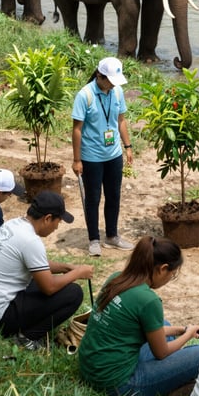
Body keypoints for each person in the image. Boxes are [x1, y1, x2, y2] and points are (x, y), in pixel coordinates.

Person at [78, 235, 199, 396]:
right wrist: (189, 335)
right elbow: (161, 353)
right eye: (172, 274)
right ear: (162, 268)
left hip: (90, 368)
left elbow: (133, 329)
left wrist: (182, 330)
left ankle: (167, 380)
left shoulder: (117, 278)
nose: (169, 279)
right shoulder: (148, 300)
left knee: (164, 325)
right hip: (117, 383)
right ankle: (168, 388)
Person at [0, 190, 94, 350]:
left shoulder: (13, 225)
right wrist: (78, 273)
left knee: (40, 278)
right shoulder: (31, 241)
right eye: (58, 222)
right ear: (48, 218)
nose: (56, 227)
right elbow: (49, 288)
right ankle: (27, 338)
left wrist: (66, 268)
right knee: (73, 293)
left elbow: (36, 264)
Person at [71, 56, 134, 256]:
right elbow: (77, 130)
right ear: (99, 75)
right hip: (91, 157)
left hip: (114, 154)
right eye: (109, 81)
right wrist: (77, 159)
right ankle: (93, 240)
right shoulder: (85, 95)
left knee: (114, 196)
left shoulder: (117, 92)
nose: (113, 85)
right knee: (93, 198)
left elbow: (121, 120)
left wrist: (128, 146)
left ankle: (112, 236)